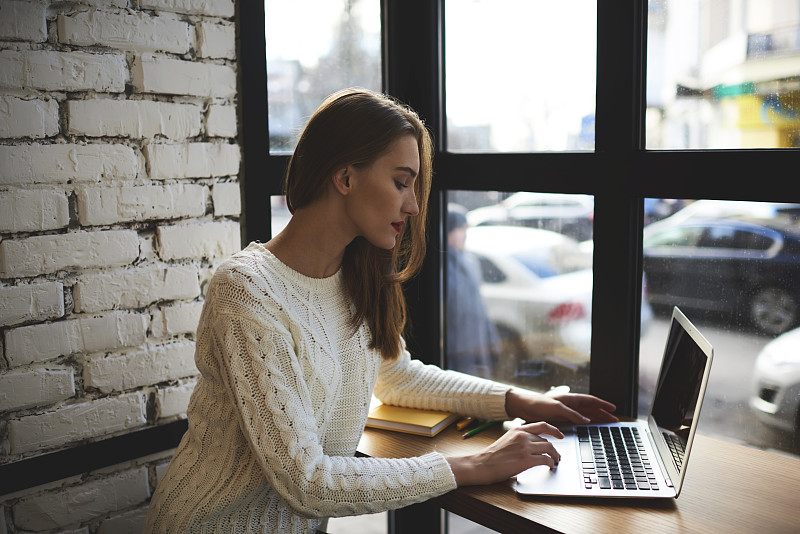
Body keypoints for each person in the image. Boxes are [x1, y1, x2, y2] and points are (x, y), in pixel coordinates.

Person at [143, 88, 617, 534]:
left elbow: (397, 376)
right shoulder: (247, 291)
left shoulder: (352, 278)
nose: (413, 205)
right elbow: (306, 480)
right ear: (345, 177)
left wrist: (517, 400)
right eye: (401, 183)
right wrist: (474, 464)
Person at [446, 203, 500, 377]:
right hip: (455, 348)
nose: (465, 234)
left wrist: (492, 339)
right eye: (461, 229)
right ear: (448, 230)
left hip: (475, 345)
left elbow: (479, 307)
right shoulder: (441, 267)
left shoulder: (469, 262)